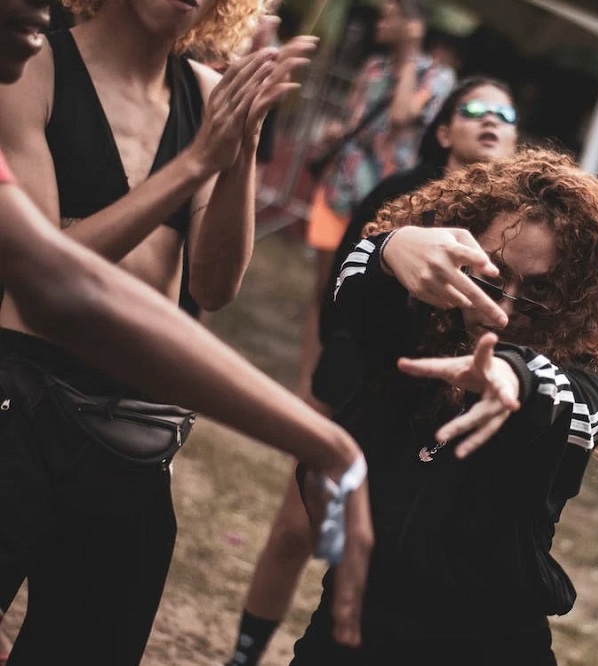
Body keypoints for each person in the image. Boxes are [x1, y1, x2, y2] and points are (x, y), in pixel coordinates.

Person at [0, 0, 370, 661]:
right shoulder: (31, 65)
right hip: (20, 398)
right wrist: (196, 162)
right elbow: (51, 274)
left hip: (135, 424)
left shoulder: (206, 96)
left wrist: (242, 149)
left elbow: (214, 286)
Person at [289, 147, 598, 664]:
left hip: (485, 646)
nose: (503, 310)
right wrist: (394, 246)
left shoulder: (596, 371)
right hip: (350, 625)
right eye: (491, 274)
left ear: (575, 297)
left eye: (538, 291)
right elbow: (350, 291)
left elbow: (571, 405)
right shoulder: (418, 326)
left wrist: (515, 378)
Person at [226, 74, 519, 666]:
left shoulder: (515, 223)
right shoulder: (400, 193)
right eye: (475, 109)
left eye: (505, 114)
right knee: (294, 528)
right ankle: (244, 655)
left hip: (431, 408)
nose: (491, 119)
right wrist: (314, 381)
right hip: (354, 379)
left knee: (392, 558)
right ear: (443, 130)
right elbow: (332, 291)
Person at [296, 0, 454, 401]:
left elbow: (402, 118)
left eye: (389, 15)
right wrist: (337, 131)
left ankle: (343, 386)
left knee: (358, 293)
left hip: (386, 201)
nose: (380, 22)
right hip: (342, 187)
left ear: (412, 24)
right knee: (324, 291)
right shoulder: (372, 69)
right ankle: (307, 387)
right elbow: (358, 120)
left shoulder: (436, 79)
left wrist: (409, 58)